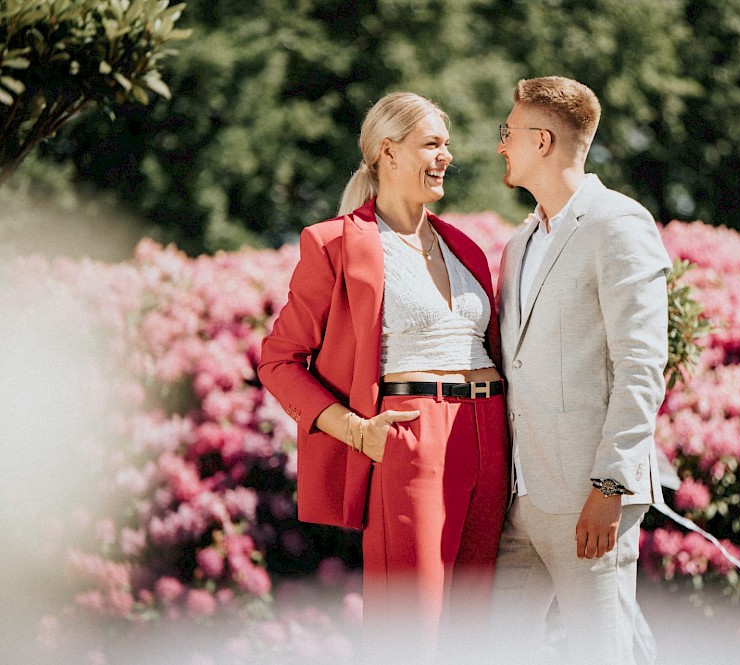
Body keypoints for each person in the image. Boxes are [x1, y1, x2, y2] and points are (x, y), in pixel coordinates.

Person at [257, 92, 509, 661]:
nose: (445, 155)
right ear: (388, 152)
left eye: (447, 144)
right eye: (431, 144)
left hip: (489, 433)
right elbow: (278, 360)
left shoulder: (465, 246)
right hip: (410, 436)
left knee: (475, 632)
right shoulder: (335, 243)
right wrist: (354, 430)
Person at [490, 76, 672, 664]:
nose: (501, 146)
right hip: (521, 500)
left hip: (591, 504)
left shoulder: (619, 224)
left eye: (509, 132)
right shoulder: (518, 243)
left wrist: (610, 485)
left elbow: (641, 364)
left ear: (541, 140)